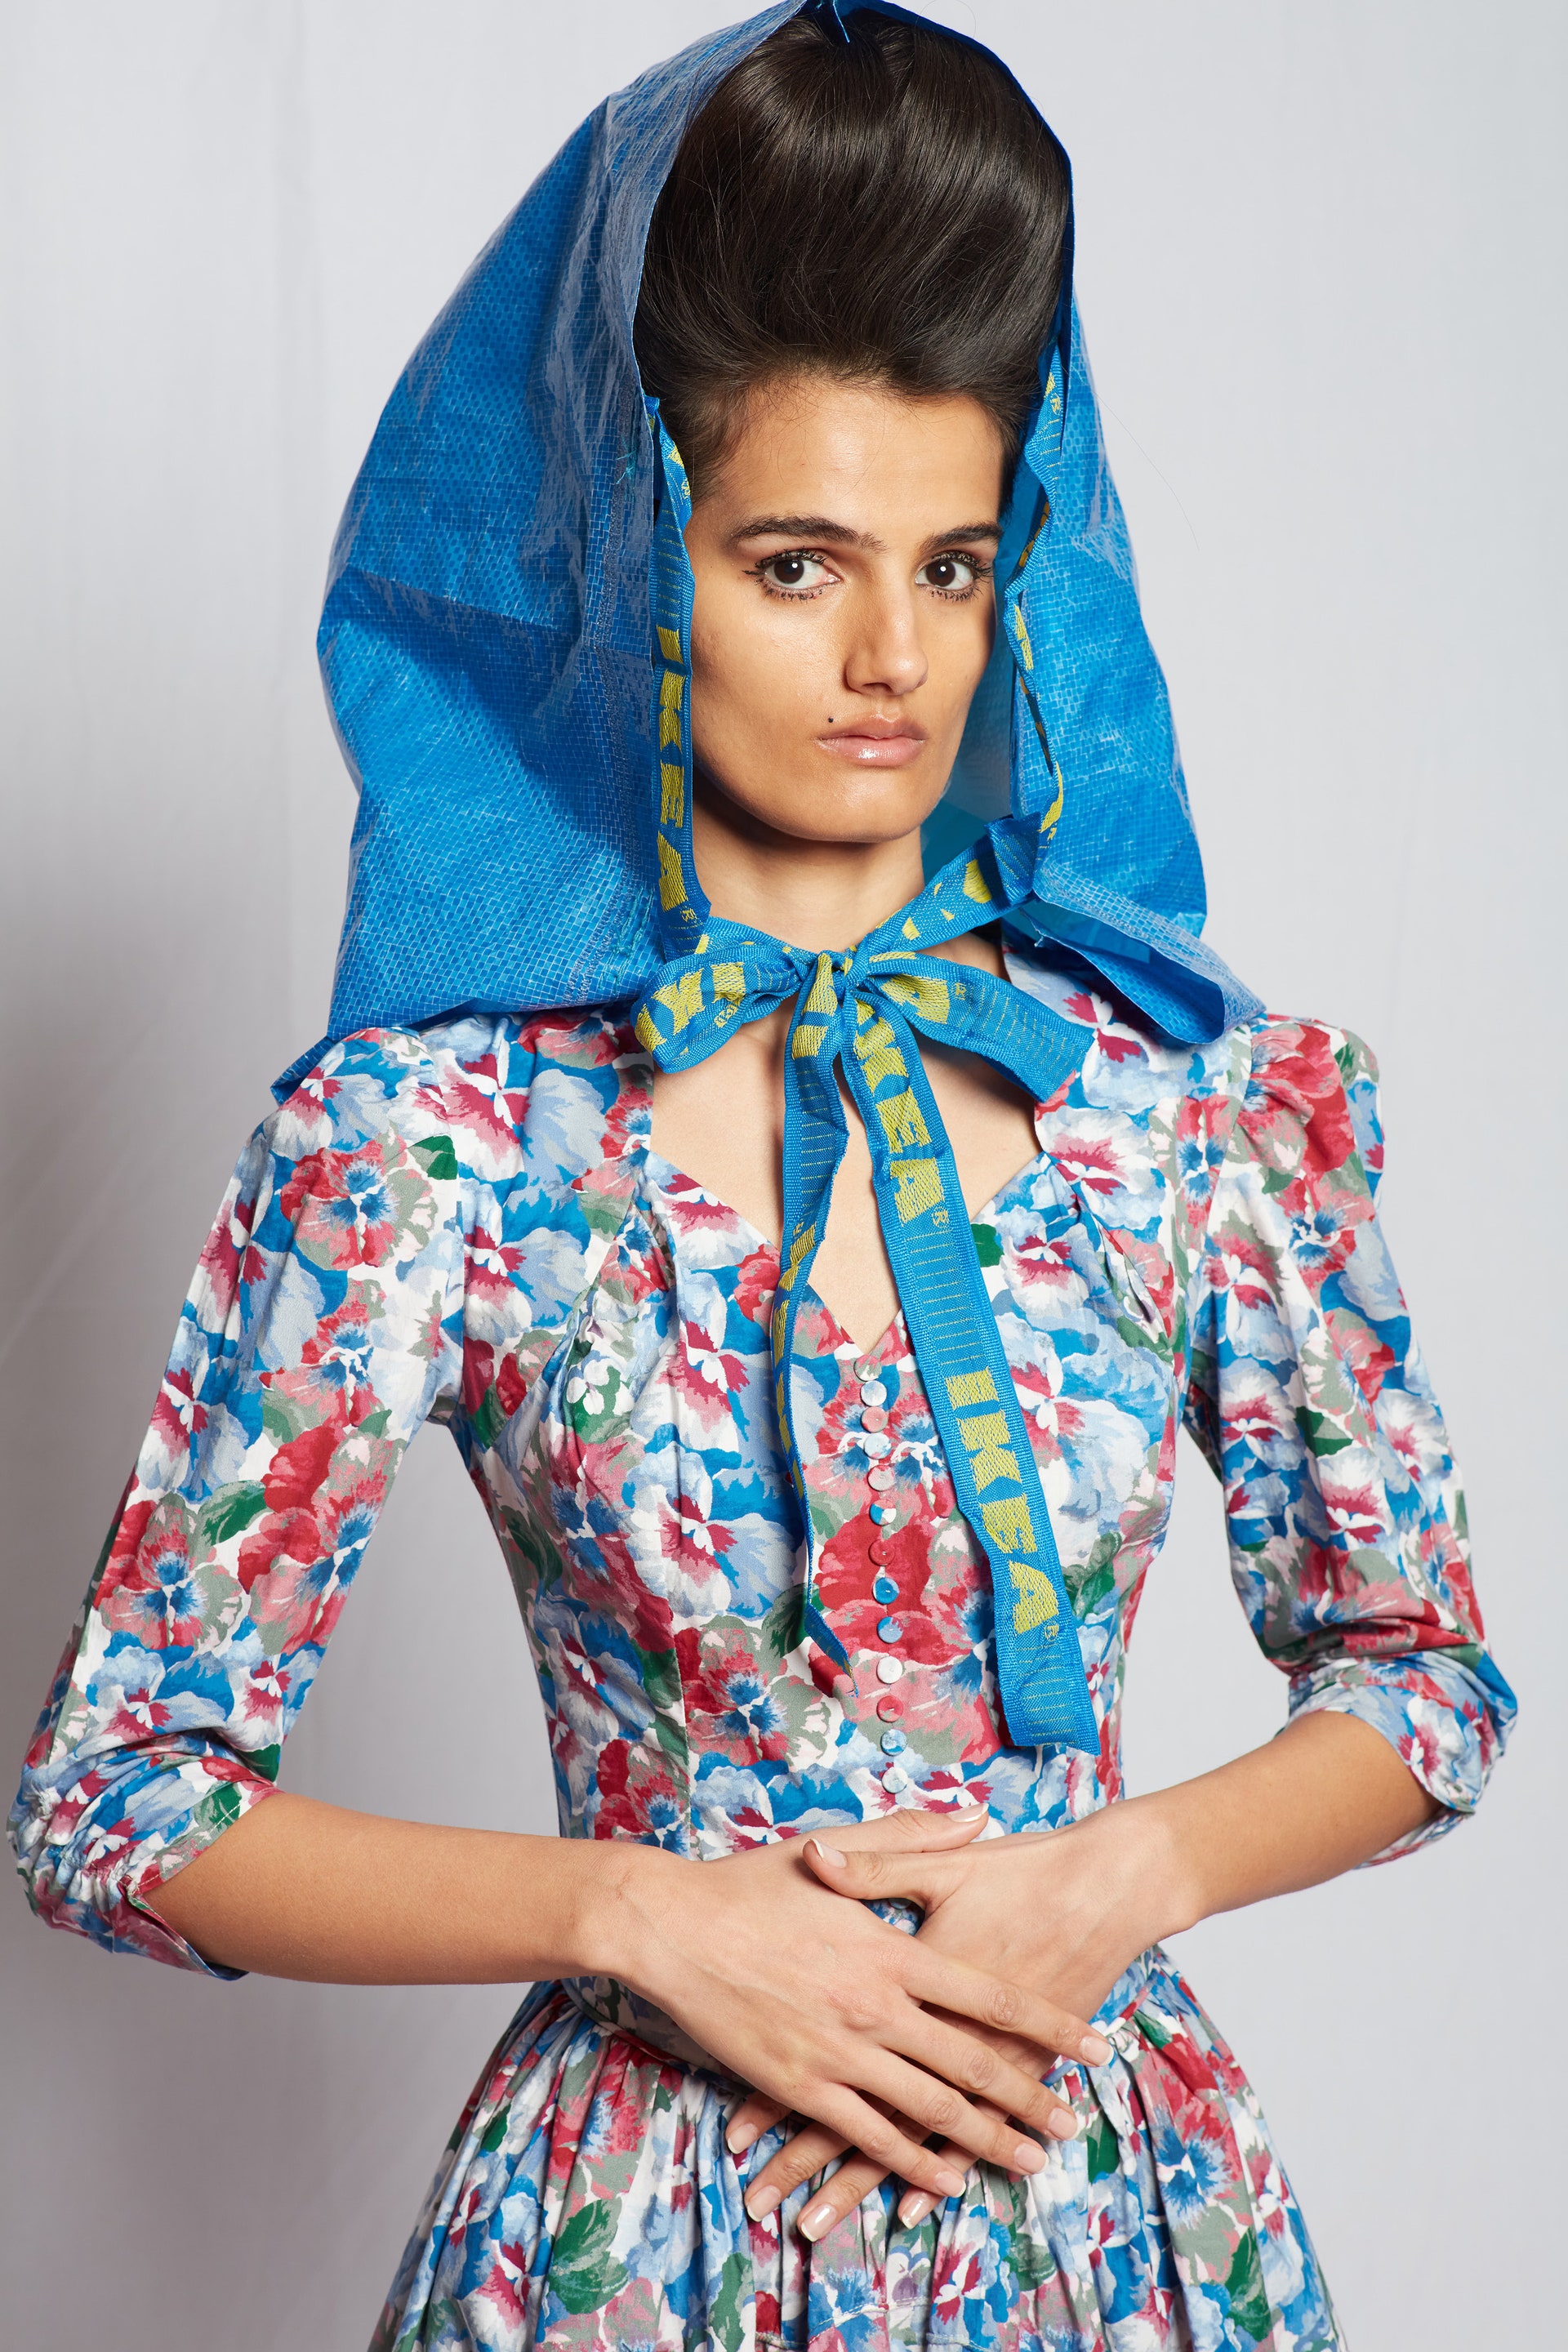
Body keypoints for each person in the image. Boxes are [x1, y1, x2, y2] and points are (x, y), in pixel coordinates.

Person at [10, 6, 1515, 2348]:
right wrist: (639, 1916)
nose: (895, 657)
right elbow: (118, 1798)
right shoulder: (429, 1137)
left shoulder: (1198, 1102)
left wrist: (1114, 1882)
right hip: (635, 2236)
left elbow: (1425, 1681)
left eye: (956, 563)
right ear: (641, 555)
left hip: (1104, 2222)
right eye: (799, 564)